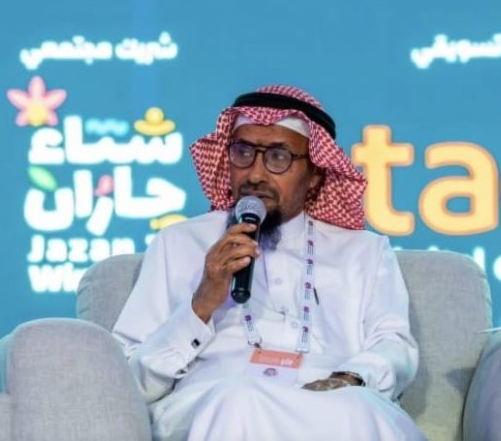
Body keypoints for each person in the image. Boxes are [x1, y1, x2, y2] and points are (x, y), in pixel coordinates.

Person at [112, 85, 425, 441]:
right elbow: (128, 378)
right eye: (243, 152)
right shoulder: (179, 244)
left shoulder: (363, 251)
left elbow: (394, 344)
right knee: (238, 400)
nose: (255, 174)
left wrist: (350, 377)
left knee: (359, 409)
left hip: (331, 401)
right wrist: (200, 305)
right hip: (215, 401)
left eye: (278, 157)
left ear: (315, 174)